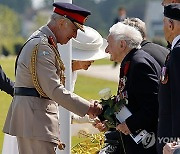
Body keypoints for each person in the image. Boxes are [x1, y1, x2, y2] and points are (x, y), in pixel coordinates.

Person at [3, 2, 102, 154]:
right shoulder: (42, 46)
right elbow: (54, 89)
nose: (75, 36)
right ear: (62, 22)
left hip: (34, 119)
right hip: (35, 120)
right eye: (74, 29)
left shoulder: (45, 43)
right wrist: (88, 108)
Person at [96, 18, 169, 154]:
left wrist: (130, 125)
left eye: (109, 44)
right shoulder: (131, 61)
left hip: (146, 144)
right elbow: (127, 101)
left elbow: (153, 106)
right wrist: (105, 115)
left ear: (122, 44)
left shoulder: (139, 64)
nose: (106, 50)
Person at [157, 4, 180, 154]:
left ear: (170, 25)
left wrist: (177, 142)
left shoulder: (178, 52)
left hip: (172, 140)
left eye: (164, 23)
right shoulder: (175, 50)